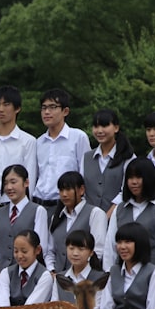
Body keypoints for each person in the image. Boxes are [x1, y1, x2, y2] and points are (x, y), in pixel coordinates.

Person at [103, 158, 155, 272]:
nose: (134, 182)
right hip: (123, 276)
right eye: (130, 178)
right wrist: (109, 275)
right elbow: (110, 246)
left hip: (152, 277)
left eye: (138, 177)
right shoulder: (120, 209)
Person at [35, 89, 90, 219]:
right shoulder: (38, 142)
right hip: (38, 205)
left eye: (53, 107)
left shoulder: (78, 137)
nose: (47, 112)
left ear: (65, 111)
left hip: (65, 205)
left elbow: (85, 174)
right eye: (44, 108)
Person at [0, 164, 52, 272]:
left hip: (28, 274)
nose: (9, 187)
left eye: (13, 182)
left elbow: (41, 247)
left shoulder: (38, 211)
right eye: (5, 183)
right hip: (1, 275)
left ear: (26, 182)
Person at [46, 171, 106, 272]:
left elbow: (98, 251)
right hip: (57, 276)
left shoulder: (95, 213)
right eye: (61, 190)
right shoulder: (56, 217)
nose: (64, 194)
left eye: (68, 189)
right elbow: (50, 251)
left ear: (81, 190)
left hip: (83, 278)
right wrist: (51, 270)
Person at [82, 109, 135, 214]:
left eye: (104, 126)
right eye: (96, 126)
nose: (100, 131)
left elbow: (126, 191)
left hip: (118, 217)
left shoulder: (128, 157)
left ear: (116, 128)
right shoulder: (87, 157)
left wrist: (108, 216)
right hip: (89, 219)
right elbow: (82, 190)